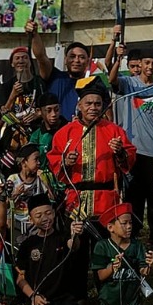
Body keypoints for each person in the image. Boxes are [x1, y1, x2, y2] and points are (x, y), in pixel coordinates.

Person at [110, 44, 153, 239]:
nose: (150, 66)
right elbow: (111, 80)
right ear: (141, 64)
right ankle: (132, 240)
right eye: (147, 62)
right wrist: (117, 59)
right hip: (131, 153)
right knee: (132, 200)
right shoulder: (129, 83)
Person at [48, 84, 135, 220]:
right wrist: (65, 162)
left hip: (107, 200)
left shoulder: (114, 130)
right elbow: (53, 162)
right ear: (79, 105)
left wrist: (120, 152)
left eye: (97, 104)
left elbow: (130, 159)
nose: (93, 108)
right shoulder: (64, 133)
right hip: (76, 200)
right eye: (88, 103)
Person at [15, 195, 89, 305]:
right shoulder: (27, 245)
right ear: (30, 220)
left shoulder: (63, 238)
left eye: (48, 213)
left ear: (55, 213)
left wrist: (74, 234)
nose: (45, 218)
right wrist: (33, 296)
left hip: (63, 300)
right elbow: (20, 278)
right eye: (38, 215)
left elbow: (73, 245)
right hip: (40, 301)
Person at [91, 201, 153, 305]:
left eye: (130, 223)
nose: (129, 227)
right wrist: (112, 268)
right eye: (124, 223)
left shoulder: (137, 246)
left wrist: (149, 265)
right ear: (110, 227)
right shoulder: (101, 247)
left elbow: (144, 272)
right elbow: (100, 276)